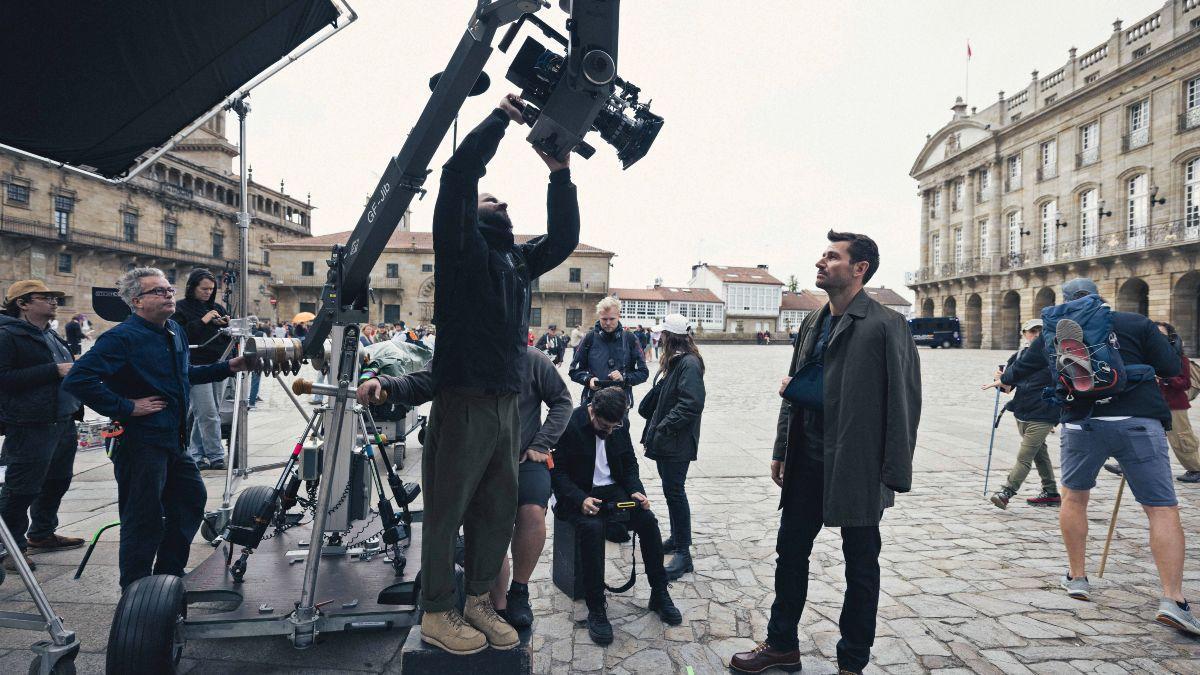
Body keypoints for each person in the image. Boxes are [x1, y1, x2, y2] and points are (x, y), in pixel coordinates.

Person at [418, 93, 579, 655]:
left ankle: (480, 600)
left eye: (503, 200)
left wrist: (560, 174)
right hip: (462, 400)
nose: (501, 201)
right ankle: (437, 610)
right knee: (447, 512)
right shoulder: (460, 251)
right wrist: (499, 120)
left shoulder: (515, 262)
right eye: (491, 200)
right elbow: (459, 174)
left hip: (507, 405)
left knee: (496, 509)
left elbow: (561, 241)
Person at [732, 231, 921, 675]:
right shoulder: (813, 322)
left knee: (860, 564)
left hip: (858, 464)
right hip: (806, 459)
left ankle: (852, 662)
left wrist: (894, 470)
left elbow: (905, 402)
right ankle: (781, 646)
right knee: (790, 552)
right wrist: (781, 448)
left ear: (860, 269)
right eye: (821, 255)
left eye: (832, 257)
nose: (821, 262)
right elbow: (795, 389)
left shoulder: (884, 325)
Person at [997, 278, 1200, 636]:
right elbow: (1171, 367)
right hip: (1138, 422)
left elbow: (1018, 370)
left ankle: (1077, 578)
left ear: (1066, 301)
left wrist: (1005, 377)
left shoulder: (1055, 331)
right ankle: (1173, 599)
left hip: (1081, 423)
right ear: (1100, 297)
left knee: (1074, 499)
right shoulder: (1135, 323)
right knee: (1161, 508)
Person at [63, 268, 251, 589]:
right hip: (139, 443)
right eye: (159, 292)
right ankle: (136, 590)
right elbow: (78, 379)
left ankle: (168, 576)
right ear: (136, 301)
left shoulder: (174, 330)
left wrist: (227, 367)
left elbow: (184, 374)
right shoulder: (121, 337)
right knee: (143, 518)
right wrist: (127, 407)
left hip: (173, 441)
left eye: (169, 290)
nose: (168, 295)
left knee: (191, 499)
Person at [358, 346, 572, 628]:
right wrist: (384, 382)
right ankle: (497, 605)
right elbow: (422, 382)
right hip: (476, 460)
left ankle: (519, 591)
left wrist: (541, 442)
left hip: (523, 456)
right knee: (489, 529)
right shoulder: (457, 353)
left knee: (532, 513)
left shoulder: (531, 359)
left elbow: (563, 401)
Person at [550, 386, 682, 645]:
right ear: (592, 410)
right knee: (592, 528)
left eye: (614, 427)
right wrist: (580, 499)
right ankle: (596, 607)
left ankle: (659, 592)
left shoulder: (619, 426)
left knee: (648, 521)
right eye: (605, 426)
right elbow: (558, 474)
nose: (610, 431)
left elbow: (630, 463)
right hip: (578, 492)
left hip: (612, 491)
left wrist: (636, 491)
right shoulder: (569, 424)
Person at [0, 280, 85, 572]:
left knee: (57, 481)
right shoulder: (7, 335)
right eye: (45, 297)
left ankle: (42, 533)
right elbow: (4, 378)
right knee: (21, 488)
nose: (53, 302)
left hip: (62, 419)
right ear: (22, 303)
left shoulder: (50, 334)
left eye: (55, 298)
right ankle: (9, 549)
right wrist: (54, 370)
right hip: (30, 423)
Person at [638, 313, 705, 581]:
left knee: (675, 492)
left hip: (676, 441)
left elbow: (691, 403)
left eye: (662, 334)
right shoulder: (676, 363)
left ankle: (683, 553)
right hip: (668, 440)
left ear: (670, 336)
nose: (659, 337)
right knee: (670, 490)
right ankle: (677, 539)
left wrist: (665, 426)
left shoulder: (688, 364)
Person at [982, 319, 1061, 508]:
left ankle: (1006, 492)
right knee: (1038, 452)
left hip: (1044, 413)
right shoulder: (1018, 356)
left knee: (1025, 455)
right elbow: (1008, 387)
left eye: (1039, 331)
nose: (1035, 335)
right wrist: (999, 379)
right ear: (1024, 334)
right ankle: (1051, 492)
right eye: (1031, 331)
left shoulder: (1054, 356)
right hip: (1022, 411)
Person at [172, 268, 231, 470]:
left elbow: (225, 337)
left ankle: (197, 454)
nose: (207, 292)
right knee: (207, 412)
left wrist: (225, 326)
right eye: (204, 288)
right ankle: (215, 455)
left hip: (219, 364)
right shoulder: (180, 308)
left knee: (207, 412)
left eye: (211, 289)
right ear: (193, 287)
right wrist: (204, 321)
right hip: (196, 366)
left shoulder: (217, 308)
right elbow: (182, 335)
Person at [569, 297, 649, 407]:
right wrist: (589, 380)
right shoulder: (589, 338)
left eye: (612, 319)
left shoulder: (630, 338)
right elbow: (574, 371)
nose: (607, 323)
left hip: (620, 404)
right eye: (604, 319)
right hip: (593, 402)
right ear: (599, 317)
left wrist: (624, 378)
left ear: (619, 316)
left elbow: (643, 373)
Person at [1153, 322, 1200, 483]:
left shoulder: (1180, 359)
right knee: (1145, 435)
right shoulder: (1149, 357)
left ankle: (1196, 468)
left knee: (1181, 438)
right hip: (1152, 404)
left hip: (1175, 405)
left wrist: (1165, 380)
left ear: (1170, 338)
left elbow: (1185, 383)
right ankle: (1128, 466)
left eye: (1162, 335)